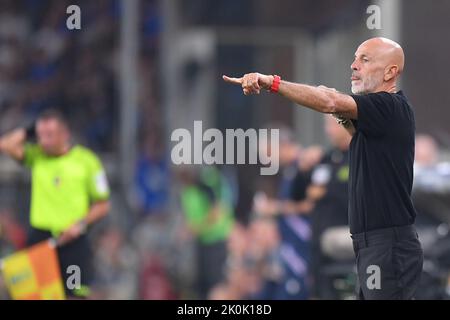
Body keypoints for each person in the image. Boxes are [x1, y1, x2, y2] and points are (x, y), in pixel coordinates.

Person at [223, 37, 423, 300]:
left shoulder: (390, 106)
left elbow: (329, 102)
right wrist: (336, 106)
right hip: (372, 246)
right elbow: (339, 112)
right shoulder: (377, 118)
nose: (354, 65)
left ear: (390, 71)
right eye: (354, 58)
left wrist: (271, 82)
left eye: (365, 59)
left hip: (387, 245)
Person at [0, 109, 111, 298]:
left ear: (65, 134)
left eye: (50, 135)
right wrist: (30, 131)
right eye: (41, 135)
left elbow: (103, 205)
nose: (44, 141)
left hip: (73, 242)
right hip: (41, 242)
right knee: (34, 295)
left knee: (76, 293)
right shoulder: (37, 156)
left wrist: (80, 224)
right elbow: (6, 145)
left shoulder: (87, 161)